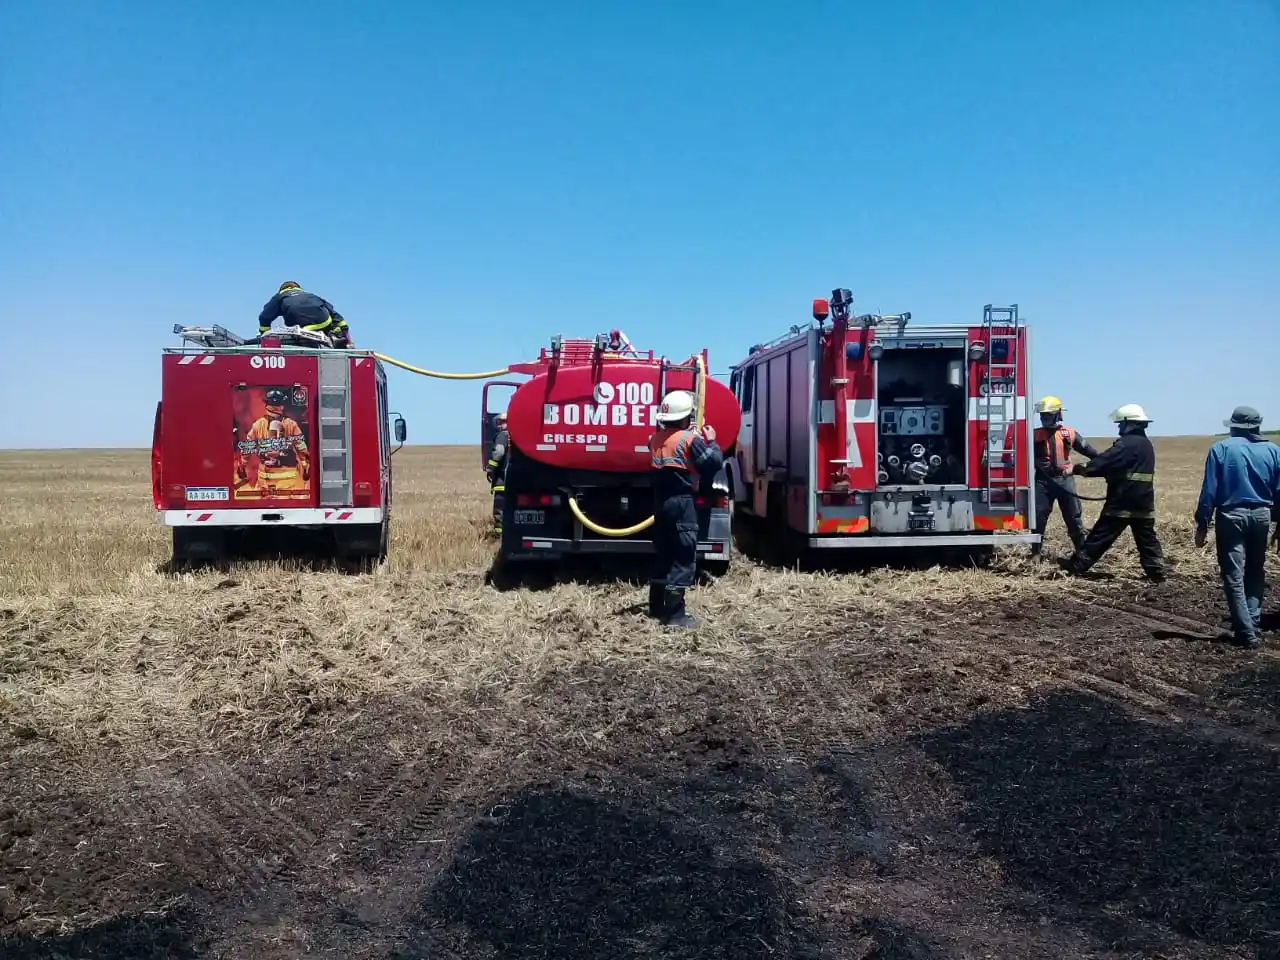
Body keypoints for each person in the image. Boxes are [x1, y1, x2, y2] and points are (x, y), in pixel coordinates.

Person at [1193, 406, 1280, 648]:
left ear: (1233, 427)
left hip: (1231, 516)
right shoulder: (1274, 451)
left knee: (1234, 575)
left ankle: (1246, 633)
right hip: (1263, 515)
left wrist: (1202, 523)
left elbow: (1209, 490)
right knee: (1256, 570)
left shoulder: (1221, 449)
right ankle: (1252, 620)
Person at [1059, 403, 1166, 583]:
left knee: (1101, 536)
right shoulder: (1146, 444)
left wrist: (1077, 469)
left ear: (1128, 423)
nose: (1118, 427)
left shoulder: (1127, 444)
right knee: (1147, 538)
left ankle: (1077, 566)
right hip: (1144, 500)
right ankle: (1156, 572)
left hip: (1123, 500)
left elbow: (1105, 462)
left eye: (1120, 424)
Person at [647, 389, 723, 628]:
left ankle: (657, 607)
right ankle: (676, 615)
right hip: (682, 503)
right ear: (686, 417)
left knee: (664, 556)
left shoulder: (655, 439)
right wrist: (711, 441)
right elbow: (713, 464)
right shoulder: (689, 439)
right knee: (683, 557)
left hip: (661, 503)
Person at [1031, 395, 1099, 556]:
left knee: (1073, 517)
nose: (1044, 418)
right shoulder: (1033, 435)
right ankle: (1035, 554)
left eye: (1047, 415)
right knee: (1038, 517)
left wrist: (1101, 465)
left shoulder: (1069, 433)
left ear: (1057, 414)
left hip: (1065, 480)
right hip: (1042, 482)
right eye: (1042, 415)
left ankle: (1082, 552)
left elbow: (1091, 453)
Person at [258, 281, 353, 347]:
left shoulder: (280, 297)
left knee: (296, 337)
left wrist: (264, 334)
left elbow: (264, 317)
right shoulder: (311, 295)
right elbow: (333, 312)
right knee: (331, 326)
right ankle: (333, 335)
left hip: (298, 325)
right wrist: (345, 332)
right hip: (323, 321)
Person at [486, 412, 510, 537]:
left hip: (502, 480)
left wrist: (491, 468)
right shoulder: (516, 436)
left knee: (499, 508)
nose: (500, 425)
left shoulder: (502, 436)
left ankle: (499, 535)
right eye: (499, 422)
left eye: (503, 422)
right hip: (514, 480)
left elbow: (499, 452)